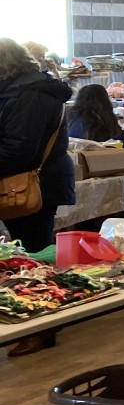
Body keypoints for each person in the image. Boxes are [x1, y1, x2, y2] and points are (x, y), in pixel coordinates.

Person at [0, 38, 76, 253]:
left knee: (33, 251)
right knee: (25, 248)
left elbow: (19, 149)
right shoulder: (20, 89)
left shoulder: (31, 93)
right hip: (30, 178)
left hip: (34, 181)